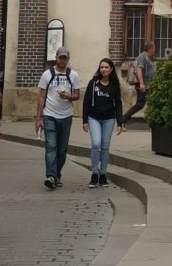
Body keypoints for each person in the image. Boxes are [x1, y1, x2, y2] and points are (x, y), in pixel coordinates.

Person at [37, 47, 81, 190]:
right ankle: (50, 175)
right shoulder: (47, 74)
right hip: (50, 115)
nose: (62, 60)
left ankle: (57, 175)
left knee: (62, 149)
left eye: (65, 58)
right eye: (60, 57)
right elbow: (41, 97)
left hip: (66, 116)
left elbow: (77, 95)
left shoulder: (73, 75)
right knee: (51, 146)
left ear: (68, 59)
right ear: (56, 58)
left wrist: (68, 96)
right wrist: (39, 118)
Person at [81, 58, 124, 188]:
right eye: (101, 67)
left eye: (106, 67)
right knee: (96, 143)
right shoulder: (93, 83)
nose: (103, 69)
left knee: (105, 147)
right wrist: (85, 120)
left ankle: (103, 174)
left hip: (109, 119)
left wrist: (120, 122)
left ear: (111, 69)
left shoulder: (114, 86)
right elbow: (86, 102)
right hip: (94, 117)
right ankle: (94, 174)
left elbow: (118, 105)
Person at [120, 48, 155, 127]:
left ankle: (124, 118)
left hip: (147, 86)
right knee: (140, 104)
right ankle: (123, 118)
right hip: (143, 86)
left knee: (145, 103)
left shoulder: (146, 57)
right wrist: (142, 84)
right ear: (151, 49)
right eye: (154, 48)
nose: (155, 50)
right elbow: (139, 69)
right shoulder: (142, 56)